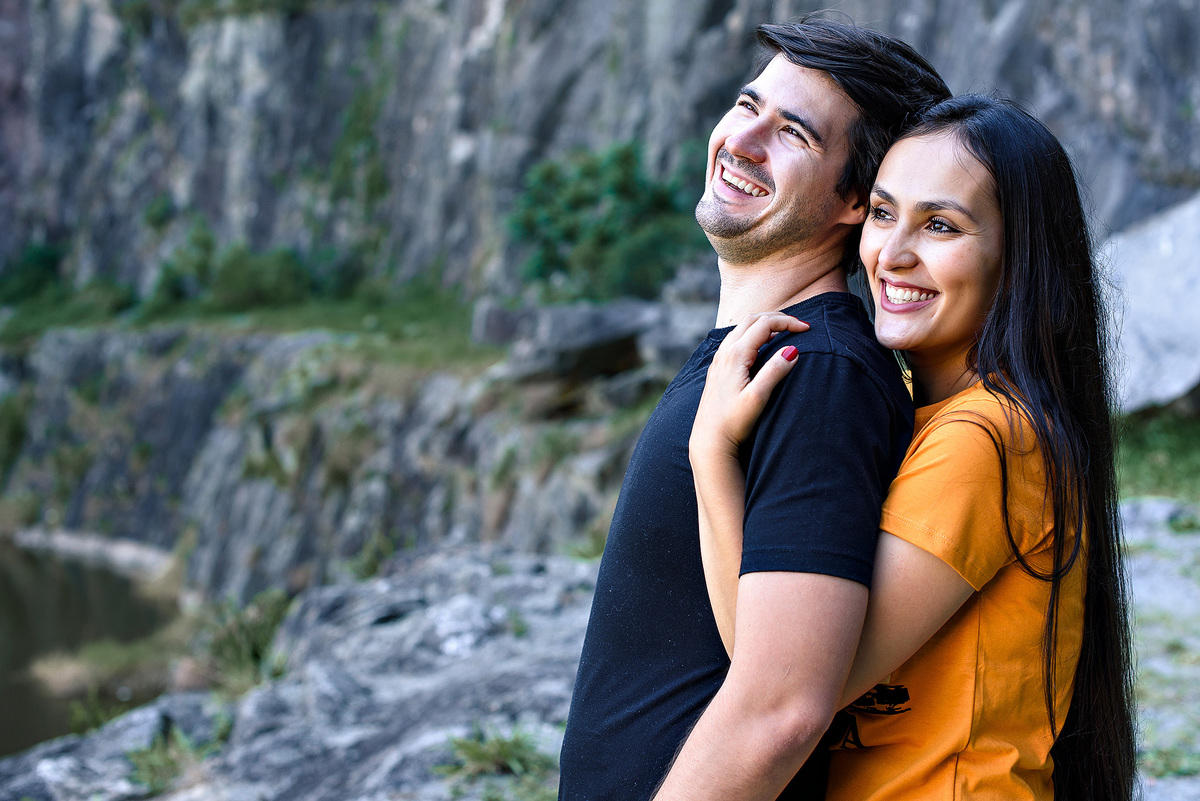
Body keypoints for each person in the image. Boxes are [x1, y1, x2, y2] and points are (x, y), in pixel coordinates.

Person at [688, 94, 1137, 801]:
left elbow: (778, 689)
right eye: (883, 212)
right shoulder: (945, 421)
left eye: (939, 225)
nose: (892, 254)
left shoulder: (987, 437)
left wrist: (711, 459)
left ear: (1016, 258)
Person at [557, 16, 950, 801]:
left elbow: (783, 709)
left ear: (853, 200)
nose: (743, 139)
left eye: (793, 133)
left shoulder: (817, 375)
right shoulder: (762, 355)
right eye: (747, 104)